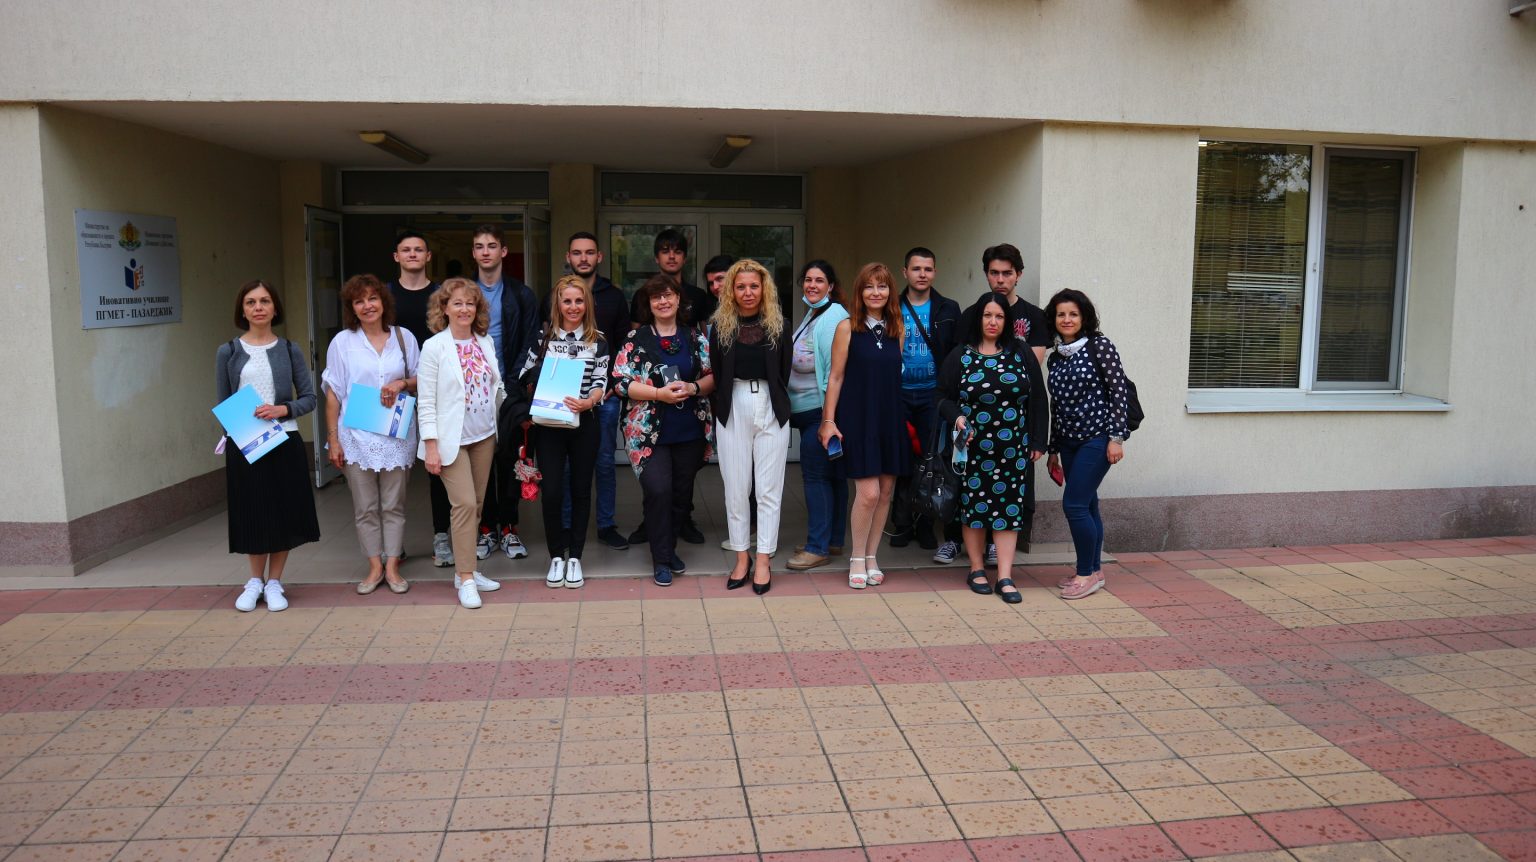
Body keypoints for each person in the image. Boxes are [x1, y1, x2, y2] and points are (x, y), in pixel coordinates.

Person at [216, 280, 320, 612]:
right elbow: (223, 401)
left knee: (282, 511)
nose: (258, 307)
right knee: (252, 511)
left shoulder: (289, 349)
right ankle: (254, 581)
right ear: (242, 310)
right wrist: (236, 432)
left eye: (264, 301)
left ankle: (275, 581)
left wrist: (282, 409)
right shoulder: (228, 351)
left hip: (284, 439)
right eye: (251, 302)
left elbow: (309, 397)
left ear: (275, 308)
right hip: (245, 443)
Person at [938, 292, 1048, 604]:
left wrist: (1038, 441)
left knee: (1009, 510)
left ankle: (1005, 576)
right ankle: (976, 569)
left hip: (1013, 449)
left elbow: (1038, 399)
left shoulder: (1021, 352)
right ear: (978, 318)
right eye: (987, 315)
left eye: (999, 316)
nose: (992, 321)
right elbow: (940, 397)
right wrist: (957, 417)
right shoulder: (961, 355)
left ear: (1007, 321)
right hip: (972, 448)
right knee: (974, 508)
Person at [612, 275, 715, 586]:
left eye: (668, 295)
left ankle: (667, 550)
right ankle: (661, 560)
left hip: (689, 429)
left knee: (681, 495)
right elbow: (620, 383)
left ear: (678, 299)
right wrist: (659, 394)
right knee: (658, 490)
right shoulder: (636, 339)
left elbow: (712, 376)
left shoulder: (695, 337)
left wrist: (693, 387)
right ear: (649, 303)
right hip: (647, 432)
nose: (663, 301)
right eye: (656, 297)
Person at [322, 275, 419, 595]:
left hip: (395, 436)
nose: (367, 306)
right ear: (352, 308)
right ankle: (375, 565)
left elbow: (421, 378)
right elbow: (334, 394)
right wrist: (333, 439)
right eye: (359, 301)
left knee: (393, 505)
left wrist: (401, 383)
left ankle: (393, 566)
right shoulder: (342, 342)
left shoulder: (404, 337)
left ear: (383, 302)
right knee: (365, 507)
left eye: (372, 298)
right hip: (357, 437)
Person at [958, 243, 1052, 563]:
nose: (1000, 279)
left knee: (1012, 491)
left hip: (1015, 425)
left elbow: (1032, 377)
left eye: (1007, 273)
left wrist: (1038, 437)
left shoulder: (1034, 316)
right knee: (971, 488)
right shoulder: (971, 315)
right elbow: (961, 367)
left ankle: (998, 547)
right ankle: (969, 548)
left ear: (1018, 275)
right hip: (975, 424)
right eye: (994, 273)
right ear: (986, 274)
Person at [417, 278, 506, 609]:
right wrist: (430, 445)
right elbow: (426, 401)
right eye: (457, 303)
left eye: (470, 303)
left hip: (484, 435)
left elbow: (495, 385)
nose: (464, 309)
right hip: (450, 440)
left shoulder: (485, 341)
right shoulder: (434, 347)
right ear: (444, 308)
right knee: (465, 504)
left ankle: (466, 571)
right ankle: (466, 578)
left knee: (477, 505)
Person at [821, 263, 910, 589]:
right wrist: (828, 421)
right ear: (860, 292)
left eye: (882, 286)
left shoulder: (898, 328)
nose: (876, 292)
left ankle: (872, 556)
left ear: (890, 292)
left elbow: (894, 376)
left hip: (890, 417)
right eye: (869, 286)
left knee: (885, 492)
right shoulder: (847, 327)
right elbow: (835, 377)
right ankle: (857, 557)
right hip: (858, 418)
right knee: (868, 493)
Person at [518, 275, 610, 589]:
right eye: (567, 301)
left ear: (587, 304)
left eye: (579, 300)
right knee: (553, 491)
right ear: (557, 304)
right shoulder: (542, 338)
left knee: (581, 490)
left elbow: (601, 382)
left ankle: (576, 557)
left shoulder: (598, 340)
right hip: (549, 426)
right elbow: (522, 374)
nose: (573, 307)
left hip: (585, 422)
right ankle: (556, 554)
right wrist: (544, 376)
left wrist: (589, 402)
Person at [626, 231, 713, 547]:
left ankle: (682, 521)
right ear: (657, 257)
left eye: (677, 250)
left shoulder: (698, 296)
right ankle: (652, 525)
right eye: (665, 250)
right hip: (651, 405)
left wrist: (695, 384)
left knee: (683, 477)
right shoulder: (643, 295)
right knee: (657, 480)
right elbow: (637, 340)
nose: (671, 255)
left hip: (689, 404)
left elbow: (704, 339)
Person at [546, 232, 632, 551]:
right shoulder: (555, 294)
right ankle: (569, 526)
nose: (583, 258)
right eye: (577, 252)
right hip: (562, 398)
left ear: (599, 257)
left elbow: (623, 345)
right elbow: (546, 346)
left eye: (589, 252)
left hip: (603, 397)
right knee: (568, 467)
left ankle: (606, 525)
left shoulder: (615, 296)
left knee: (604, 462)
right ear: (568, 257)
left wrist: (608, 386)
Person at [709, 259, 791, 594]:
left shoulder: (780, 325)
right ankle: (742, 557)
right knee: (736, 488)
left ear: (764, 289)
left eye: (754, 286)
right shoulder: (720, 327)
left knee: (769, 490)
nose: (747, 292)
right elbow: (717, 372)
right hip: (733, 405)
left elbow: (783, 372)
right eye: (740, 286)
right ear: (731, 290)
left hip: (770, 405)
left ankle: (764, 559)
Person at [1044, 289, 1129, 601]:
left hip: (1097, 438)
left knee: (1075, 505)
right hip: (1068, 441)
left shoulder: (1099, 346)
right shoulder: (1056, 357)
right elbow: (1057, 405)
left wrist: (1116, 438)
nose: (1067, 319)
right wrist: (1053, 448)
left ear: (1084, 318)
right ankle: (1094, 570)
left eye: (1073, 314)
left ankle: (1085, 574)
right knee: (1089, 504)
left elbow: (1118, 391)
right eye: (1061, 314)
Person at [468, 225, 539, 564]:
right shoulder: (464, 293)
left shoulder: (521, 294)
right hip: (472, 390)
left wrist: (510, 385)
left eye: (492, 245)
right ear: (473, 252)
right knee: (479, 463)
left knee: (510, 460)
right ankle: (486, 529)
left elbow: (530, 342)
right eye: (479, 246)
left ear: (503, 251)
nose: (486, 252)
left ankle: (509, 528)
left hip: (509, 389)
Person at [888, 247, 963, 559]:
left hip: (933, 395)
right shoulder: (891, 305)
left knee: (931, 461)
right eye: (916, 268)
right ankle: (902, 524)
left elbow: (957, 352)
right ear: (905, 272)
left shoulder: (948, 308)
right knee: (900, 460)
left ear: (935, 272)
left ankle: (926, 525)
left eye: (928, 269)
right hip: (898, 394)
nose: (922, 274)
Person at [386, 231, 453, 567]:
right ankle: (392, 544)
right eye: (406, 250)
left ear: (428, 256)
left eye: (418, 250)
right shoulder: (384, 296)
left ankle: (441, 537)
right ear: (396, 256)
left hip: (434, 391)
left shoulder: (441, 295)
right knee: (392, 469)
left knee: (437, 467)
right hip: (393, 393)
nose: (412, 254)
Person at [786, 260, 850, 572]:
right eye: (808, 280)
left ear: (831, 286)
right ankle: (832, 540)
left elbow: (834, 373)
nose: (812, 285)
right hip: (809, 412)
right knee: (833, 476)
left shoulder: (833, 317)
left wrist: (828, 419)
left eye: (819, 280)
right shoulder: (815, 313)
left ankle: (817, 547)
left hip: (820, 413)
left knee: (816, 478)